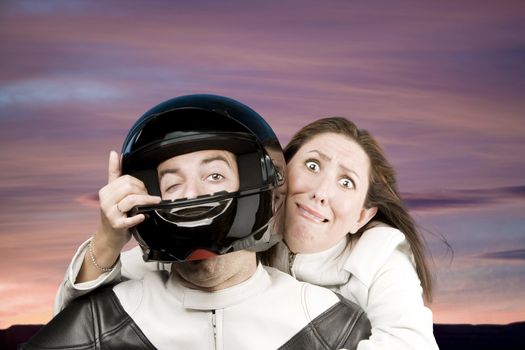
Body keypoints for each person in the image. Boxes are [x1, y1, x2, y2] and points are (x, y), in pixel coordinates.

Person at [54, 115, 436, 349]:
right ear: (277, 174)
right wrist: (108, 239)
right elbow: (80, 318)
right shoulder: (236, 233)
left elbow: (409, 343)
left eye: (347, 183)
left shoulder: (380, 256)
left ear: (362, 217)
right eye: (314, 165)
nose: (321, 192)